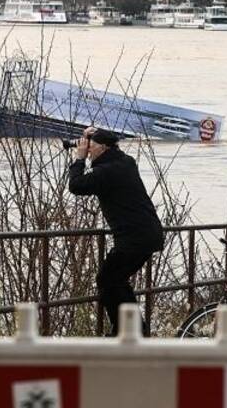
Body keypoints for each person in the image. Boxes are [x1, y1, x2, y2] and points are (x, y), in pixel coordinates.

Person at [68, 126, 164, 336]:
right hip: (146, 234)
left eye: (91, 146)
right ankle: (134, 329)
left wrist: (79, 159)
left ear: (103, 148)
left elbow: (76, 186)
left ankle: (125, 330)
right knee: (116, 279)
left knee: (106, 279)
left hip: (134, 238)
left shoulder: (107, 171)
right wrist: (95, 134)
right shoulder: (125, 162)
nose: (88, 149)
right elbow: (111, 144)